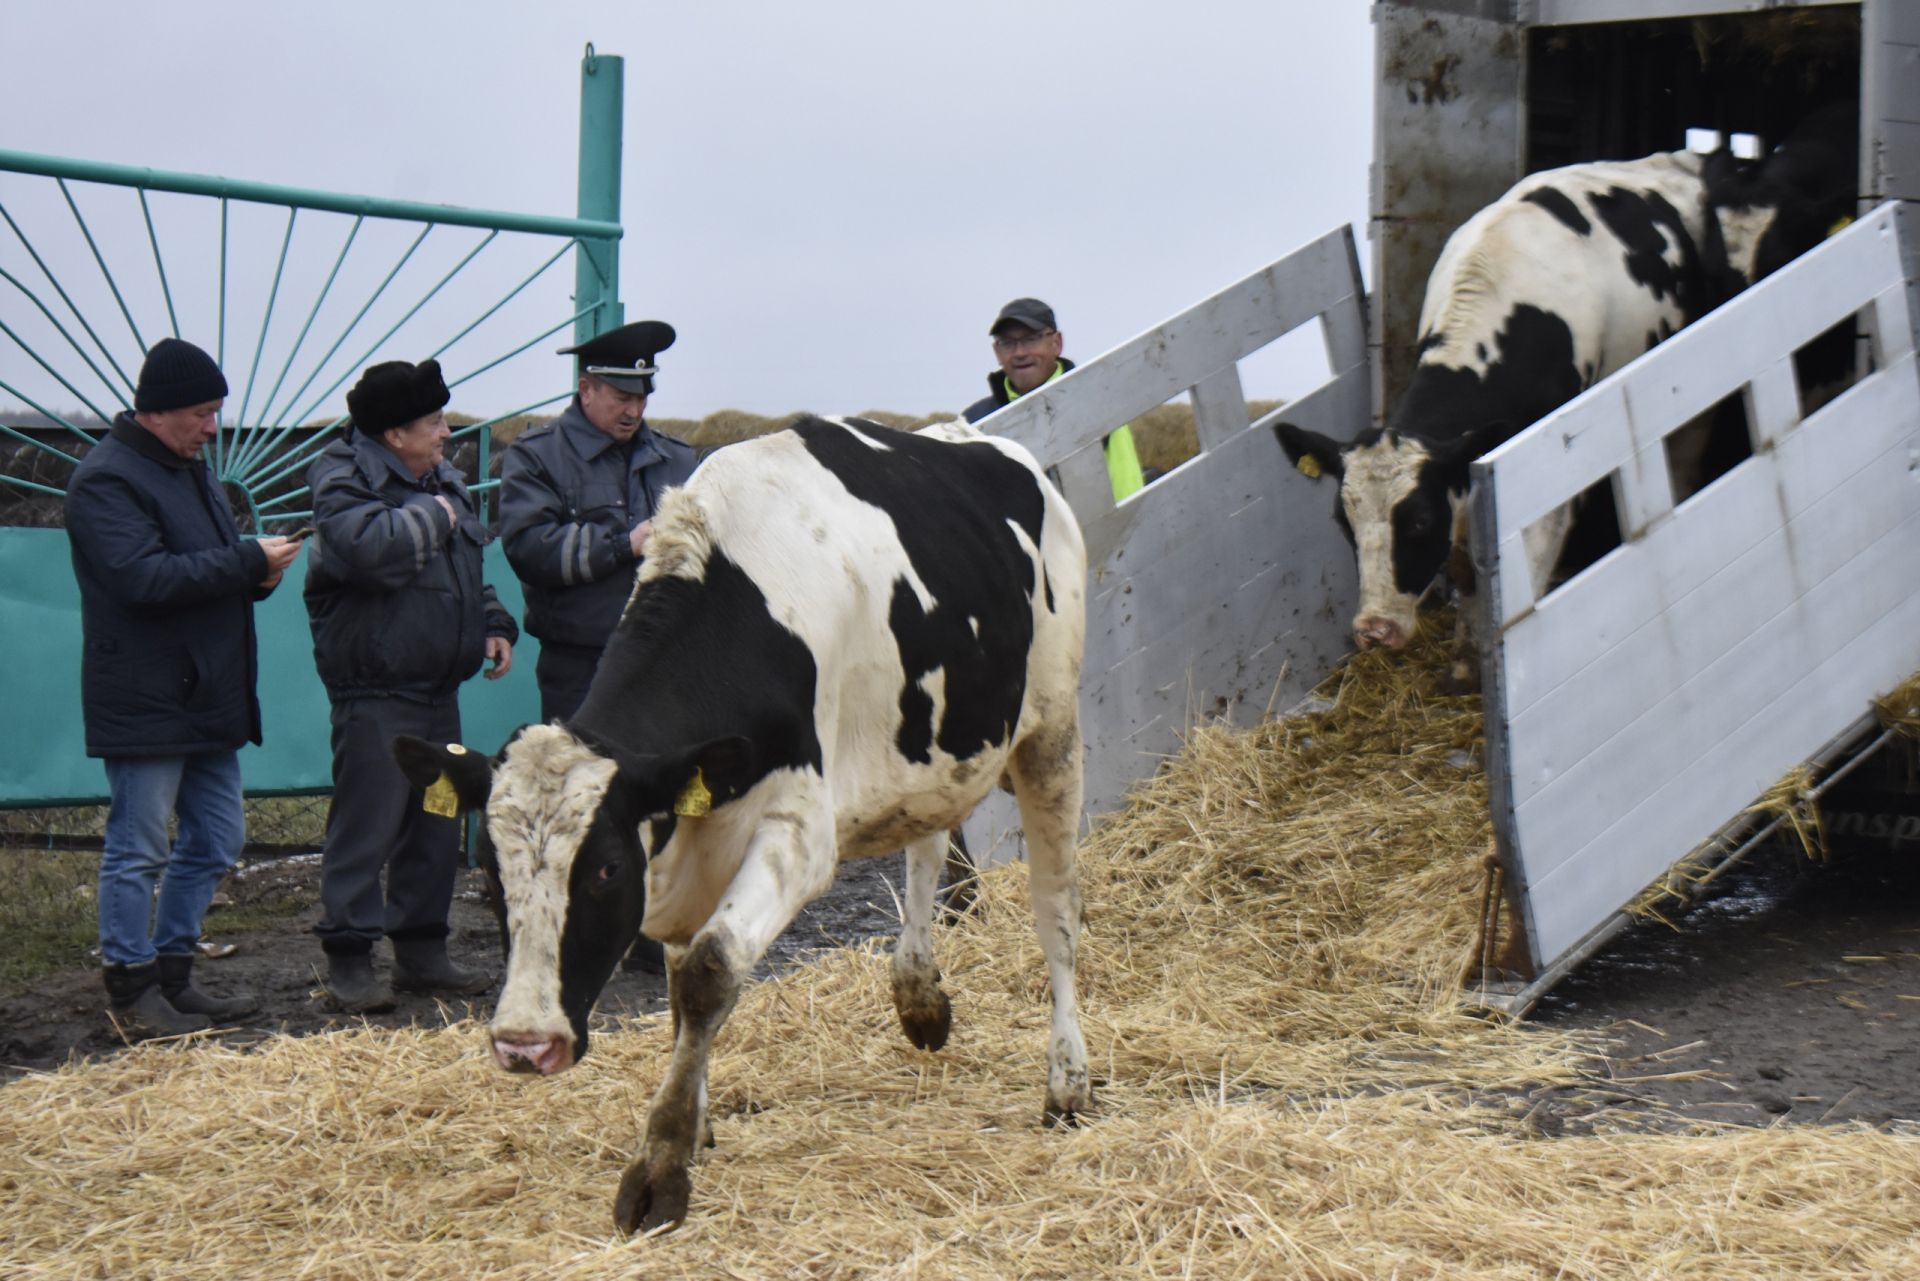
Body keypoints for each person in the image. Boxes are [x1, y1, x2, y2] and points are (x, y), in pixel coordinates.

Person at [65, 337, 303, 1037]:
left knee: (219, 836)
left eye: (216, 411)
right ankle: (132, 987)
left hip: (205, 692)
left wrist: (256, 575)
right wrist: (244, 560)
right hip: (145, 695)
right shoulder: (106, 480)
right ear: (157, 411)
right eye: (202, 412)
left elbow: (205, 568)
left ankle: (174, 973)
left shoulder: (190, 469)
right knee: (139, 845)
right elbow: (143, 579)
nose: (212, 427)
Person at [303, 358, 518, 1012]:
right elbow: (369, 549)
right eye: (434, 421)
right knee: (367, 826)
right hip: (376, 692)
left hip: (436, 692)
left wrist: (492, 619)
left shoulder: (439, 480)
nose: (447, 432)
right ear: (394, 434)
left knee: (435, 822)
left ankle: (423, 953)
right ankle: (350, 960)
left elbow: (466, 568)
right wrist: (438, 515)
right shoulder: (342, 479)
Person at [497, 322, 699, 976]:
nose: (634, 408)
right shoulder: (537, 457)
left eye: (642, 394)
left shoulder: (677, 460)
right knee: (580, 802)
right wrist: (624, 543)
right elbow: (529, 548)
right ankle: (572, 926)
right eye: (620, 395)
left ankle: (650, 928)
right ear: (586, 390)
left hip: (660, 665)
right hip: (580, 660)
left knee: (658, 799)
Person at [961, 297, 1145, 500]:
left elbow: (1127, 488)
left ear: (1057, 343)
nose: (1020, 352)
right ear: (997, 351)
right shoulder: (973, 423)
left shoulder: (1097, 405)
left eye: (1031, 339)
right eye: (1008, 343)